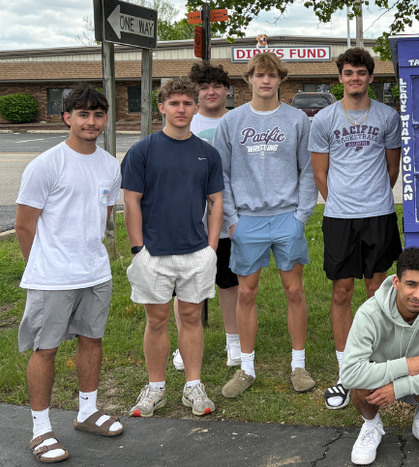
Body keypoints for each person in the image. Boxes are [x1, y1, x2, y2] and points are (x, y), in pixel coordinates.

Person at [15, 85, 124, 463]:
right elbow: (24, 225)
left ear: (105, 119)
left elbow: (105, 217)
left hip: (95, 272)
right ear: (67, 118)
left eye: (98, 115)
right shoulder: (46, 164)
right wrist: (42, 266)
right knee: (45, 350)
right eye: (83, 114)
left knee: (92, 340)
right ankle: (41, 429)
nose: (91, 122)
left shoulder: (111, 164)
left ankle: (87, 411)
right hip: (52, 278)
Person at [213, 51, 318, 398]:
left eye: (272, 75)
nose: (266, 81)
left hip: (287, 217)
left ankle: (299, 365)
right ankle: (246, 368)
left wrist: (301, 216)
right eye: (259, 75)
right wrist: (232, 222)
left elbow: (308, 170)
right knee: (246, 292)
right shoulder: (232, 122)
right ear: (249, 80)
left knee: (294, 291)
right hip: (247, 221)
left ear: (280, 80)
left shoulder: (297, 120)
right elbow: (222, 175)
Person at [122, 78, 223, 418]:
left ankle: (193, 386)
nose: (182, 109)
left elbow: (216, 202)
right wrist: (139, 249)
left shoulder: (207, 153)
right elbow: (131, 202)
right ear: (161, 107)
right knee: (157, 319)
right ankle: (156, 387)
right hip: (154, 253)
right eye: (174, 103)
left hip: (195, 252)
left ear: (196, 108)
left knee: (192, 317)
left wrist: (210, 248)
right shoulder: (143, 151)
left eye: (187, 103)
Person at [308, 47, 402, 410]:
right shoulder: (325, 120)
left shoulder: (387, 117)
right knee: (342, 291)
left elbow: (391, 169)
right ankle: (347, 371)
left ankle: (375, 364)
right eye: (348, 73)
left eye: (361, 73)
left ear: (371, 78)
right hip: (339, 218)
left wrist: (371, 197)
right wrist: (341, 203)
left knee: (377, 290)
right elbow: (320, 172)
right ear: (340, 78)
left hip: (378, 214)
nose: (355, 79)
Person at [341, 247, 419, 466]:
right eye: (411, 284)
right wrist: (404, 366)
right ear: (396, 282)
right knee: (359, 383)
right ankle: (371, 424)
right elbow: (349, 374)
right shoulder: (369, 313)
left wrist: (400, 387)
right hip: (381, 378)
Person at [171, 62, 241, 372]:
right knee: (186, 285)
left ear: (227, 90)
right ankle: (182, 341)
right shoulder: (185, 122)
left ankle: (234, 340)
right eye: (203, 87)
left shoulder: (239, 122)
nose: (210, 92)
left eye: (217, 86)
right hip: (190, 221)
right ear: (196, 92)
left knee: (229, 283)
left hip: (230, 220)